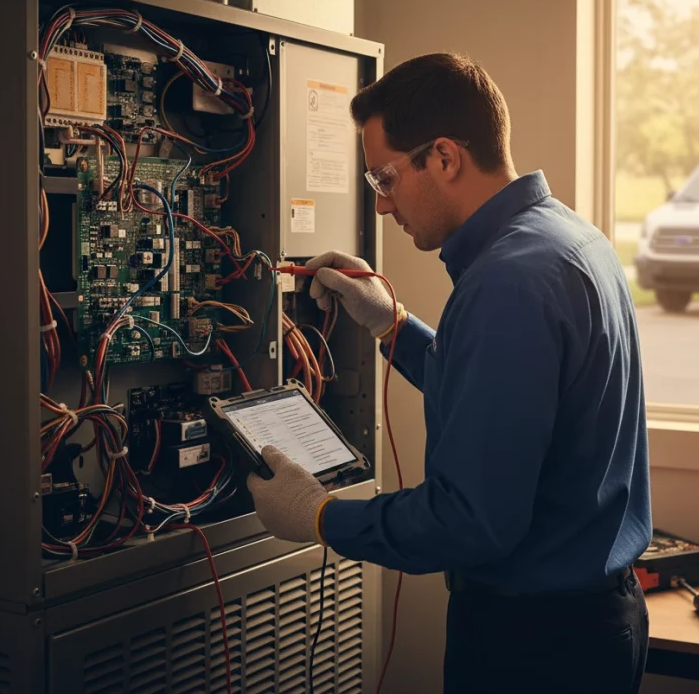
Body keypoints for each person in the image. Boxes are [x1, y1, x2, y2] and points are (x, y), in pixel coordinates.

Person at [247, 52, 652, 694]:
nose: (381, 206)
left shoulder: (507, 283)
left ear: (443, 157)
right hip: (589, 624)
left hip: (534, 648)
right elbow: (512, 412)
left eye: (384, 178)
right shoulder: (568, 239)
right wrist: (394, 328)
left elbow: (470, 520)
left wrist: (322, 516)